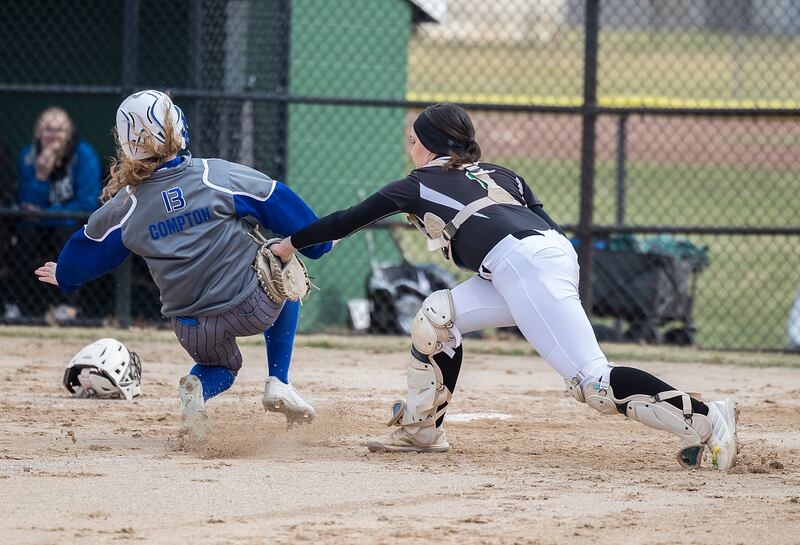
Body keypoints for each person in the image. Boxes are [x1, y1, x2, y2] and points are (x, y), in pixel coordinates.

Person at [270, 103, 739, 470]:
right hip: (533, 259)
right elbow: (544, 226)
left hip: (524, 266)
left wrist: (289, 244)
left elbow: (344, 222)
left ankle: (707, 420)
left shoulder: (415, 184)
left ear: (429, 144)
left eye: (412, 139)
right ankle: (422, 432)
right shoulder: (502, 173)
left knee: (594, 383)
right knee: (437, 317)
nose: (408, 146)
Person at [35, 90, 332, 438]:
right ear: (176, 129)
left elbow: (91, 243)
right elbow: (278, 201)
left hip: (191, 326)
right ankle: (278, 381)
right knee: (285, 270)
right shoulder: (213, 175)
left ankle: (198, 390)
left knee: (220, 366)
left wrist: (67, 273)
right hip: (250, 306)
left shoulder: (127, 204)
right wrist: (320, 242)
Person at [17, 107, 102, 322]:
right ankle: (18, 307)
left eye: (59, 130)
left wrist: (47, 213)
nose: (53, 134)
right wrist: (41, 174)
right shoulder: (28, 157)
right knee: (22, 237)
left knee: (66, 234)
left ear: (69, 134)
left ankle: (69, 307)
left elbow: (88, 202)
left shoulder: (84, 155)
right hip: (37, 226)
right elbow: (26, 204)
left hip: (70, 222)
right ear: (37, 132)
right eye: (47, 129)